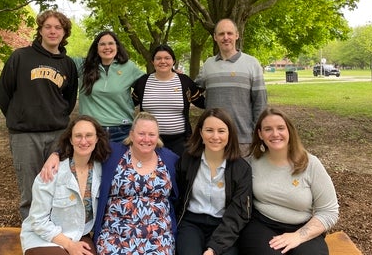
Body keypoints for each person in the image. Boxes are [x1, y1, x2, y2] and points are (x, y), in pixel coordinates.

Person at [0, 9, 78, 220]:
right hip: (25, 135)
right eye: (48, 27)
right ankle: (31, 234)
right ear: (40, 30)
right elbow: (2, 94)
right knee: (30, 188)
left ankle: (55, 231)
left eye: (58, 28)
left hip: (57, 134)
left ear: (64, 33)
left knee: (58, 185)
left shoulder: (67, 64)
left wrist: (55, 117)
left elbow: (69, 99)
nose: (53, 31)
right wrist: (20, 116)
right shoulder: (20, 57)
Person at [239, 107, 339, 255]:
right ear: (260, 134)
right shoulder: (251, 163)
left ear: (289, 132)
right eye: (268, 129)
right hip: (261, 224)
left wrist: (298, 236)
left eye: (280, 128)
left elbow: (329, 212)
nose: (275, 134)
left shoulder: (310, 164)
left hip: (303, 227)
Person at [21, 115, 111, 255]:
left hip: (78, 235)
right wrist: (69, 245)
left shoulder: (102, 171)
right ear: (71, 139)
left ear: (97, 138)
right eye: (78, 136)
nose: (83, 141)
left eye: (89, 135)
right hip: (42, 238)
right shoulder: (51, 172)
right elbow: (38, 221)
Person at [94, 112, 179, 254]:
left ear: (157, 137)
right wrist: (56, 154)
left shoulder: (169, 159)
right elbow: (83, 146)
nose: (146, 139)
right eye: (141, 134)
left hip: (158, 237)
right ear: (132, 135)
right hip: (116, 234)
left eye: (152, 134)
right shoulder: (113, 153)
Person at [176, 108, 252, 255]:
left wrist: (213, 249)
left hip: (224, 225)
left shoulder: (241, 169)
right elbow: (176, 196)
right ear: (200, 133)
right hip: (191, 222)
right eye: (209, 130)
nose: (215, 136)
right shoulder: (187, 160)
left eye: (221, 131)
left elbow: (239, 212)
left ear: (229, 134)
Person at [195, 18, 267, 155]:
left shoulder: (252, 63)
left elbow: (260, 102)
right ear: (215, 37)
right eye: (221, 34)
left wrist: (257, 133)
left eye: (229, 33)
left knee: (242, 176)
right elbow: (193, 91)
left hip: (243, 139)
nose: (226, 37)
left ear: (237, 35)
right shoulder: (208, 65)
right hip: (213, 139)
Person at [132, 44, 205, 156]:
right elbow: (129, 103)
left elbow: (200, 101)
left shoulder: (185, 82)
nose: (163, 61)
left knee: (178, 172)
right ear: (152, 61)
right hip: (149, 141)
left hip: (180, 141)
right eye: (158, 58)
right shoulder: (143, 82)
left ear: (173, 61)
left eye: (167, 58)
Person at [75, 31, 144, 142]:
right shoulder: (83, 65)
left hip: (122, 130)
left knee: (121, 160)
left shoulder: (129, 67)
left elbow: (149, 82)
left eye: (111, 43)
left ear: (117, 46)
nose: (107, 47)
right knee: (92, 160)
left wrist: (173, 73)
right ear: (96, 48)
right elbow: (58, 59)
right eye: (102, 44)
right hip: (90, 130)